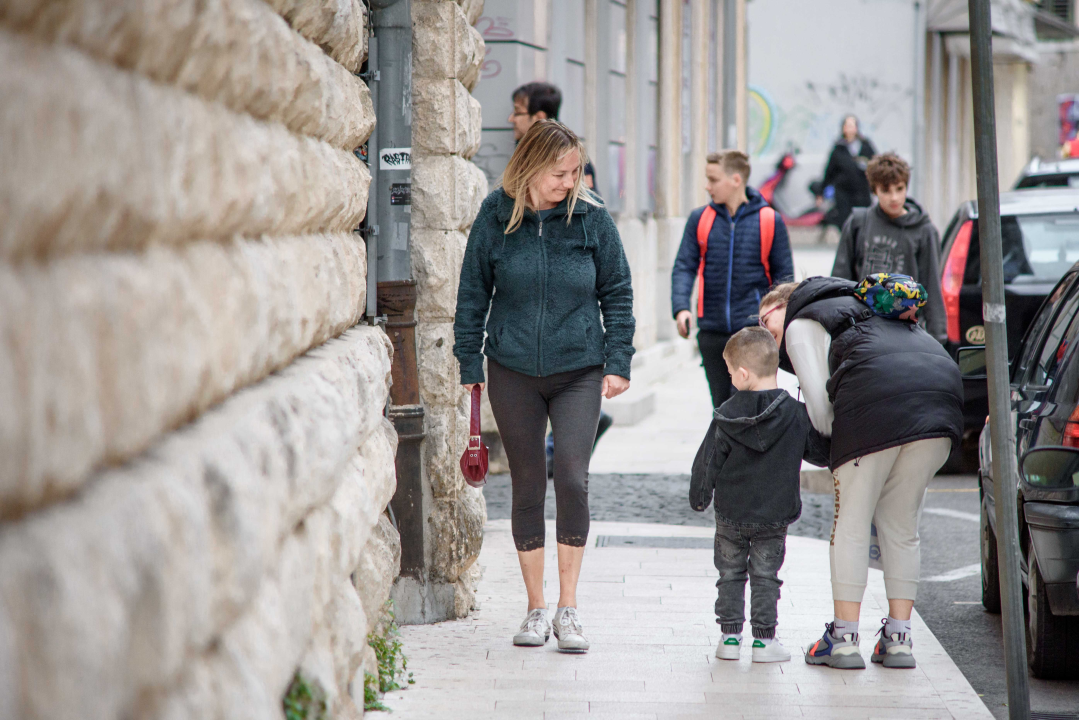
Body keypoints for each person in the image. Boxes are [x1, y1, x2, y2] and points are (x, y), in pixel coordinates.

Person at [453, 121, 635, 653]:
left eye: (576, 170)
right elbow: (471, 293)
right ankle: (535, 607)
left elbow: (618, 291)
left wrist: (618, 360)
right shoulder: (494, 215)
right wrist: (470, 361)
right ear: (531, 167)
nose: (570, 181)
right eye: (560, 173)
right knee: (528, 485)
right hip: (511, 370)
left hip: (579, 367)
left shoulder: (592, 217)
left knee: (573, 478)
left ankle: (568, 608)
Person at [757, 279, 962, 670]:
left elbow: (823, 418)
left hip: (874, 410)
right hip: (941, 403)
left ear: (787, 302)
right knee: (901, 527)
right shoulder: (866, 309)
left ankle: (844, 639)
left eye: (767, 321)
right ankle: (899, 640)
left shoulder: (802, 324)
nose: (768, 335)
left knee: (850, 525)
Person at [689, 327, 830, 664]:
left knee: (730, 574)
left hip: (730, 515)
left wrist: (700, 497)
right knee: (766, 577)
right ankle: (765, 642)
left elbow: (706, 461)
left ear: (742, 373)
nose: (728, 378)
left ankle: (729, 638)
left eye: (728, 371)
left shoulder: (725, 416)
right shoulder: (796, 414)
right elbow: (819, 453)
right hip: (775, 515)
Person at [671, 150, 794, 408]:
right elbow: (684, 265)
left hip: (752, 332)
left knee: (746, 405)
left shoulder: (770, 220)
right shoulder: (700, 219)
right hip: (712, 332)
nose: (708, 186)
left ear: (736, 180)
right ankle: (726, 448)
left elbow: (785, 281)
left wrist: (779, 325)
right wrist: (681, 308)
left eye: (713, 179)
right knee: (721, 406)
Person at [830, 152, 946, 344]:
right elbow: (840, 279)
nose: (894, 197)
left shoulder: (924, 230)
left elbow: (932, 286)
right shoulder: (859, 223)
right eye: (886, 190)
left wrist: (938, 340)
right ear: (874, 190)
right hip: (863, 330)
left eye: (899, 189)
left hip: (907, 333)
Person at [818, 115, 876, 231]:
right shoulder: (838, 148)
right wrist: (821, 193)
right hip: (843, 194)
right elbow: (829, 172)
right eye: (847, 126)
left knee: (863, 223)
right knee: (845, 223)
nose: (849, 129)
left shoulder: (865, 146)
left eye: (852, 126)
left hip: (862, 193)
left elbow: (875, 166)